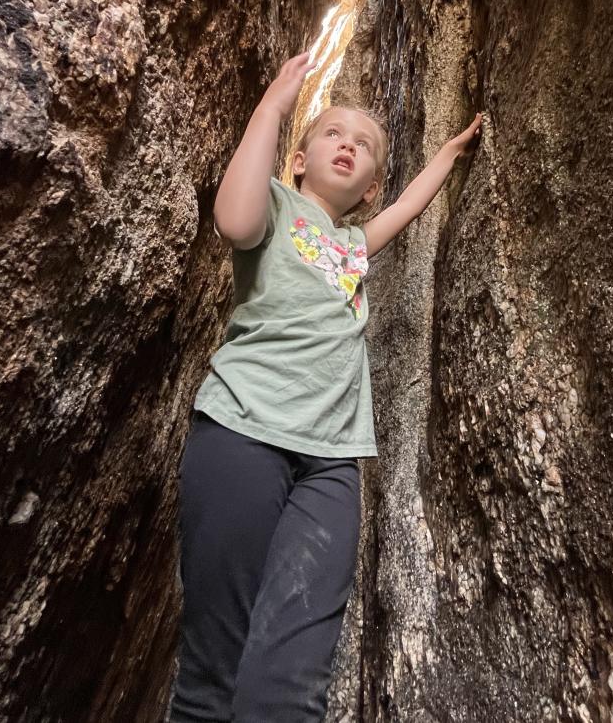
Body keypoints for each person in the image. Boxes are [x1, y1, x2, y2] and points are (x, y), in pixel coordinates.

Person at [169, 52, 483, 722]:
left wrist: (450, 154)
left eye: (365, 145)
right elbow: (234, 221)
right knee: (211, 672)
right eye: (334, 133)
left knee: (292, 684)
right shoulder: (276, 206)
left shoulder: (353, 246)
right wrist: (274, 107)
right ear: (301, 159)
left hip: (332, 462)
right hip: (242, 430)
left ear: (369, 187)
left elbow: (409, 206)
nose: (350, 145)